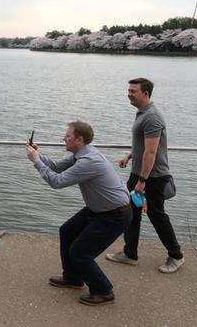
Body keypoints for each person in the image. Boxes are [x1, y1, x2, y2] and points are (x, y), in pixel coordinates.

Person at [25, 121, 131, 306]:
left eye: (67, 136)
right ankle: (73, 278)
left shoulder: (89, 161)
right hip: (99, 209)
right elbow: (57, 167)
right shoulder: (82, 153)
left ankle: (103, 290)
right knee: (67, 231)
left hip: (115, 214)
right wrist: (38, 154)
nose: (64, 139)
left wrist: (36, 162)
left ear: (79, 139)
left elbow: (57, 181)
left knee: (80, 252)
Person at [106, 78, 185, 273]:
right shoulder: (142, 114)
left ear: (146, 93)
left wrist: (142, 181)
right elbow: (143, 145)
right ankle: (130, 253)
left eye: (133, 91)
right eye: (129, 90)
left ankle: (176, 256)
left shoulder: (152, 117)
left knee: (156, 215)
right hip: (139, 173)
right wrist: (129, 156)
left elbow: (151, 152)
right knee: (129, 213)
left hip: (153, 176)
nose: (129, 94)